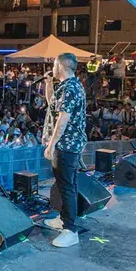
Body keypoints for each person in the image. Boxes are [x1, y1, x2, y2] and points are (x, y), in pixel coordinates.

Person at [41, 53, 87, 248]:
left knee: (67, 186)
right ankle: (63, 218)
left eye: (53, 64)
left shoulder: (70, 88)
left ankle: (70, 230)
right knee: (62, 183)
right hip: (66, 145)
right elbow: (52, 103)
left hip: (66, 145)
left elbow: (62, 119)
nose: (52, 67)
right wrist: (48, 84)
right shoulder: (68, 86)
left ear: (60, 65)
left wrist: (51, 145)